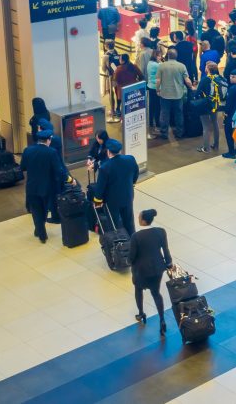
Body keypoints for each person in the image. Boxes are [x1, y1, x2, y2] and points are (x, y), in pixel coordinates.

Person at [20, 130, 72, 243]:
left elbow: (22, 167)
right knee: (43, 209)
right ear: (48, 140)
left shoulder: (27, 150)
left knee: (35, 209)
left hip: (32, 186)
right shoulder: (51, 152)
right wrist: (70, 179)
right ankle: (41, 232)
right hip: (47, 187)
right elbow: (59, 170)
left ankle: (39, 230)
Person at [128, 209, 172, 337]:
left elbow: (131, 257)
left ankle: (141, 313)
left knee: (138, 290)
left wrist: (128, 261)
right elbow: (166, 250)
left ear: (143, 220)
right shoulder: (161, 232)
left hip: (141, 271)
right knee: (156, 293)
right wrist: (168, 264)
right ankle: (162, 320)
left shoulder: (136, 236)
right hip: (158, 269)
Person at [93, 139, 139, 236]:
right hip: (128, 196)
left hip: (112, 201)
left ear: (108, 152)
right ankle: (132, 240)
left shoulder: (105, 167)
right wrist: (132, 183)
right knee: (129, 221)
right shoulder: (130, 159)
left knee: (114, 223)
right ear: (120, 151)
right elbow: (136, 173)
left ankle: (119, 244)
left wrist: (97, 201)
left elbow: (100, 187)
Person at [155, 50, 192, 140]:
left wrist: (157, 90)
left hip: (165, 94)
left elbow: (158, 80)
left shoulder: (162, 66)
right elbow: (187, 80)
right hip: (178, 94)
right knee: (179, 114)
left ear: (167, 56)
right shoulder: (182, 66)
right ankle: (179, 133)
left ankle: (164, 133)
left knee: (164, 114)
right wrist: (191, 87)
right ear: (176, 56)